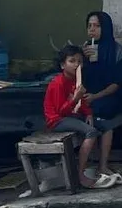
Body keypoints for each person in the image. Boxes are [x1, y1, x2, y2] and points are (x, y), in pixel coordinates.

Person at [43, 45, 114, 189]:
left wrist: (88, 113)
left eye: (79, 61)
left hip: (72, 116)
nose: (76, 65)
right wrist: (75, 99)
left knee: (107, 127)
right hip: (57, 120)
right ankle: (80, 174)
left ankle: (103, 166)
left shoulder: (76, 80)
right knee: (91, 132)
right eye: (72, 61)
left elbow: (82, 103)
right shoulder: (57, 83)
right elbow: (60, 112)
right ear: (63, 65)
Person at [81, 11, 122, 184]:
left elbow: (118, 83)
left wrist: (96, 96)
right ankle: (87, 165)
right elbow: (80, 79)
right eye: (89, 26)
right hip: (89, 95)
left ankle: (102, 164)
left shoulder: (117, 51)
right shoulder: (86, 49)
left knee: (103, 113)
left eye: (96, 26)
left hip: (112, 95)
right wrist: (83, 61)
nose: (92, 30)